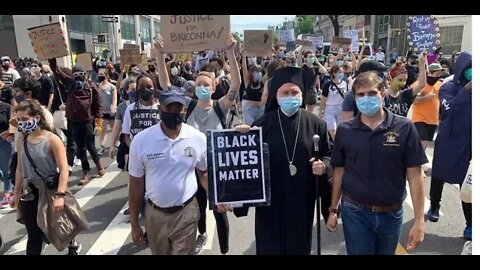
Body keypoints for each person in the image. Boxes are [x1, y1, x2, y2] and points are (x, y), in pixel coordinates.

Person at [155, 33, 240, 255]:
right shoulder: (189, 106)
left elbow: (236, 85)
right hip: (193, 169)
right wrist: (159, 54)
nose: (203, 86)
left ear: (213, 88)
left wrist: (230, 52)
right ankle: (202, 234)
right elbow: (165, 84)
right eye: (199, 83)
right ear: (195, 87)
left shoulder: (221, 107)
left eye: (207, 84)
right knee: (200, 206)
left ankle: (224, 248)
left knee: (220, 210)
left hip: (217, 166)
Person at [234, 66, 333, 255]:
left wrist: (325, 166)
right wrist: (240, 137)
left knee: (299, 246)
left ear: (302, 94)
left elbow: (329, 155)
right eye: (285, 92)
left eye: (294, 92)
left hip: (301, 200)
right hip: (270, 203)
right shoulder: (261, 125)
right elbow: (246, 161)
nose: (290, 96)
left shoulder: (316, 124)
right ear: (276, 96)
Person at [326, 71, 428, 255]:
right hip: (355, 212)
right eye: (361, 94)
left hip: (391, 214)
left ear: (383, 94)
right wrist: (333, 210)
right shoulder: (345, 130)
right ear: (355, 97)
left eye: (372, 93)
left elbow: (415, 176)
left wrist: (419, 220)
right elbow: (339, 171)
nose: (366, 98)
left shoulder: (404, 127)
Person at [128, 87, 223, 255]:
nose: (174, 112)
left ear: (185, 110)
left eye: (178, 108)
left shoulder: (197, 138)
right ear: (159, 110)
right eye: (169, 108)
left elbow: (204, 173)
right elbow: (135, 184)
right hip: (155, 215)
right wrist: (135, 225)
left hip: (186, 212)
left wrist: (218, 196)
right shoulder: (141, 141)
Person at [10, 99, 83, 255]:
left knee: (60, 224)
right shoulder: (22, 140)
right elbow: (20, 169)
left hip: (50, 190)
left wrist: (60, 195)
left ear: (36, 117)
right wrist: (15, 194)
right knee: (34, 234)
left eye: (24, 119)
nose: (21, 123)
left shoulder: (52, 139)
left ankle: (72, 244)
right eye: (18, 120)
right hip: (29, 192)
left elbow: (64, 170)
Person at [428, 52, 472, 240]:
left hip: (470, 144)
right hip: (450, 141)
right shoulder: (448, 87)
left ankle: (470, 223)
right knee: (439, 175)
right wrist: (466, 91)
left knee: (468, 184)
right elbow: (447, 108)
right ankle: (435, 204)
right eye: (470, 68)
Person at [64, 64, 105, 185]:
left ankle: (99, 166)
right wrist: (52, 60)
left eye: (80, 74)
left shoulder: (92, 88)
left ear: (85, 74)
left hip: (88, 122)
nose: (78, 77)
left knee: (90, 145)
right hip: (74, 122)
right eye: (75, 75)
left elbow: (98, 107)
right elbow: (59, 74)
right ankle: (86, 171)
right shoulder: (71, 87)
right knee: (80, 148)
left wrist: (98, 125)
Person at [411, 63, 444, 171]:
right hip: (420, 118)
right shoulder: (419, 84)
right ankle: (417, 165)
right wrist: (426, 98)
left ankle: (415, 162)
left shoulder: (440, 84)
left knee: (424, 143)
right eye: (437, 73)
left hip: (433, 120)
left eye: (440, 73)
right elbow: (413, 100)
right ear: (429, 73)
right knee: (423, 141)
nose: (439, 76)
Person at [108, 78, 136, 170]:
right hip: (128, 141)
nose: (135, 92)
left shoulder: (147, 104)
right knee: (130, 168)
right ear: (127, 91)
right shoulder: (122, 107)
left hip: (143, 140)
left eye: (137, 89)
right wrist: (112, 145)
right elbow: (116, 127)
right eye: (132, 90)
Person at [320, 65, 348, 139]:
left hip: (341, 109)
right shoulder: (328, 85)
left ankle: (339, 145)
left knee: (341, 129)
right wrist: (321, 112)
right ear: (334, 73)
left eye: (342, 72)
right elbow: (323, 100)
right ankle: (336, 145)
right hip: (330, 109)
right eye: (340, 72)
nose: (342, 74)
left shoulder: (345, 83)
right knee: (332, 129)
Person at [96, 69, 117, 154]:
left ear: (106, 75)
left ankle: (117, 141)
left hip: (110, 111)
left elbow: (114, 99)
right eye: (98, 74)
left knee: (114, 128)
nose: (99, 76)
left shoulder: (112, 87)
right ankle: (102, 146)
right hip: (101, 112)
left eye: (101, 74)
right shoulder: (97, 86)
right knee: (102, 130)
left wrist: (113, 107)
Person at [0, 99, 15, 208]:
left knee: (7, 169)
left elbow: (13, 123)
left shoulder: (6, 107)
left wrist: (9, 132)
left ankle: (8, 193)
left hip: (4, 141)